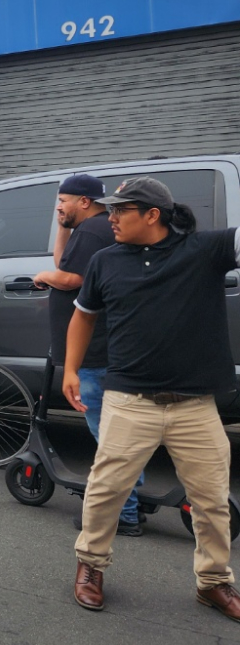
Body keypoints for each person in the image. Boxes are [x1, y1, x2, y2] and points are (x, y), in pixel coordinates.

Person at [64, 177, 240, 619]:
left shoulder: (204, 251)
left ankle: (214, 582)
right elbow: (83, 317)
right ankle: (90, 567)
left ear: (152, 215)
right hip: (128, 399)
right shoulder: (106, 261)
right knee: (105, 491)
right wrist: (69, 369)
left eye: (121, 211)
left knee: (212, 500)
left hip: (194, 405)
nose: (112, 218)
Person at [32, 174, 143, 537]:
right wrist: (62, 223)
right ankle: (133, 500)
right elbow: (65, 260)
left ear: (84, 201)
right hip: (102, 350)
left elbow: (71, 276)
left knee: (110, 436)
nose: (57, 206)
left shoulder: (94, 230)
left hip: (96, 353)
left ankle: (123, 513)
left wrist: (45, 275)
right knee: (120, 432)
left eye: (63, 200)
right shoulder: (90, 228)